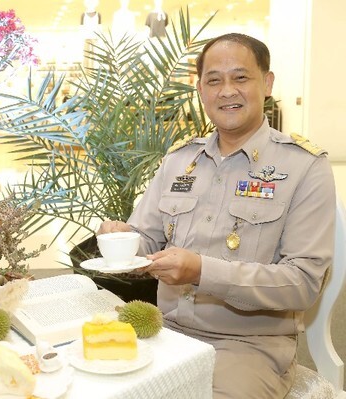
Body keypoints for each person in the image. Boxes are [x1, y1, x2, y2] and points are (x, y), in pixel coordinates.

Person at [98, 33, 335, 398]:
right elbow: (146, 239)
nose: (227, 91)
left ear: (266, 83)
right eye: (214, 80)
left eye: (240, 78)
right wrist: (122, 239)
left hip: (248, 346)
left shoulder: (304, 167)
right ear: (200, 90)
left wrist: (201, 271)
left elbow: (302, 282)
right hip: (165, 332)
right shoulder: (179, 161)